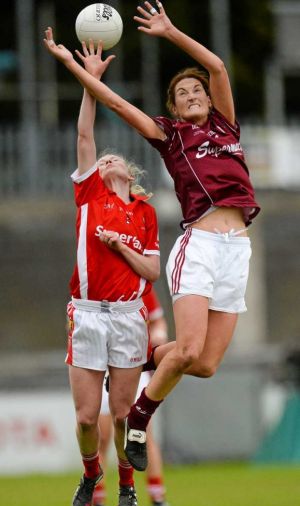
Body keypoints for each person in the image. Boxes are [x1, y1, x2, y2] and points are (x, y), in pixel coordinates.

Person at [44, 0, 260, 474]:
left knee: (203, 365)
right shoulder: (171, 136)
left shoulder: (226, 124)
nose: (193, 93)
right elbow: (118, 105)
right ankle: (139, 417)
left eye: (196, 89)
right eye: (183, 92)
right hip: (200, 245)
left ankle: (138, 359)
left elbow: (217, 66)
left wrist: (170, 31)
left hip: (236, 248)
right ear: (175, 108)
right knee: (185, 350)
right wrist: (79, 71)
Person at [53, 38, 160, 506]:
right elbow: (83, 136)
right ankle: (91, 471)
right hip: (88, 313)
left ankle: (126, 485)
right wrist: (90, 82)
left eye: (113, 158)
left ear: (130, 173)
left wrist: (120, 247)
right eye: (101, 159)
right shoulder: (90, 193)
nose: (104, 159)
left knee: (120, 415)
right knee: (83, 417)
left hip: (128, 317)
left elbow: (153, 271)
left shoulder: (144, 212)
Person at [92, 287, 170, 506]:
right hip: (103, 368)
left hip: (134, 365)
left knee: (142, 433)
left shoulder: (140, 285)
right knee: (103, 434)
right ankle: (97, 496)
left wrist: (159, 336)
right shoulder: (96, 284)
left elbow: (158, 322)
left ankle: (157, 494)